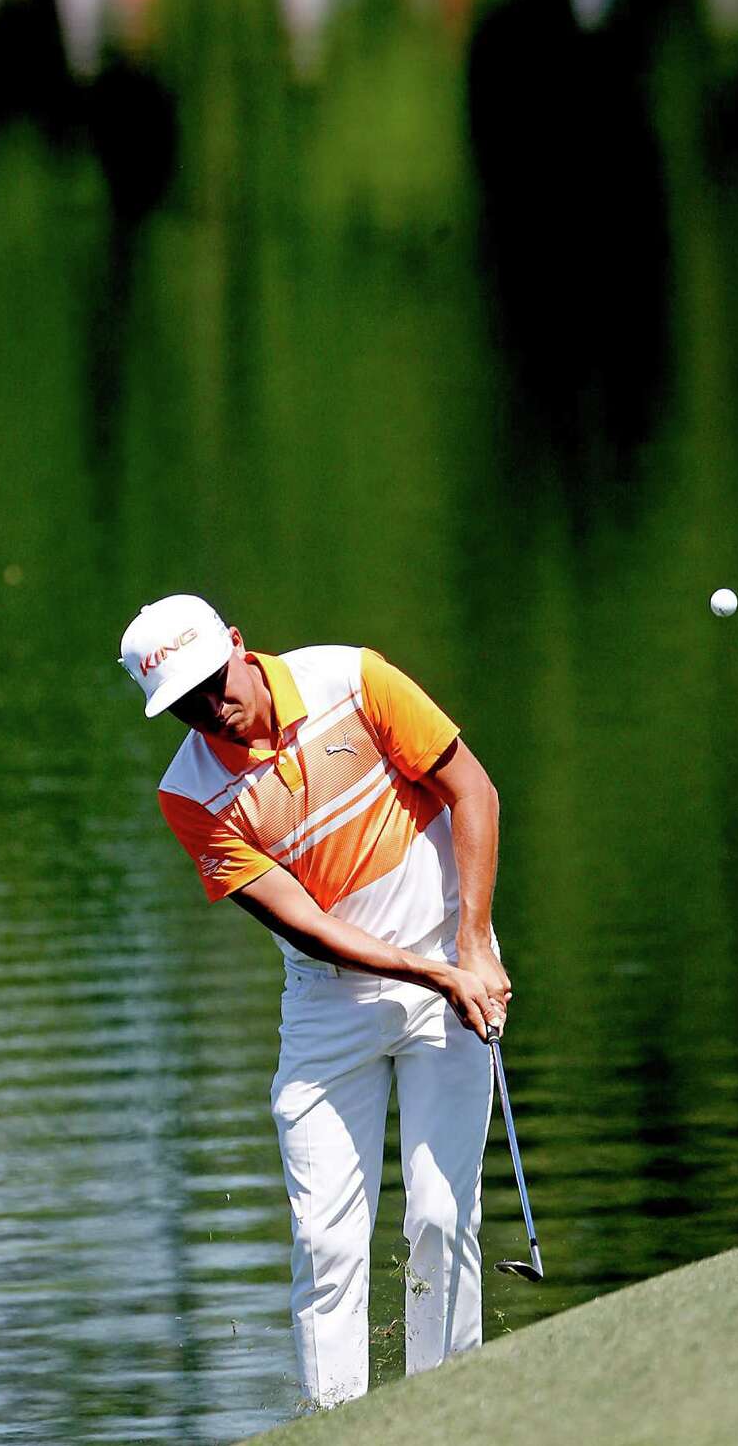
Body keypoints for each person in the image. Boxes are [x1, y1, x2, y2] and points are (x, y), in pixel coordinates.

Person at [119, 593, 510, 1408]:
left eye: (214, 681)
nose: (210, 709)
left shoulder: (354, 679)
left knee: (441, 1216)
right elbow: (309, 930)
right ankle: (340, 1424)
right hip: (332, 1006)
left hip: (450, 960)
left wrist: (471, 946)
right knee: (326, 1242)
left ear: (238, 643)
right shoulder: (189, 796)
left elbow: (473, 790)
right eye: (184, 703)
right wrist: (438, 974)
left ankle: (448, 1411)